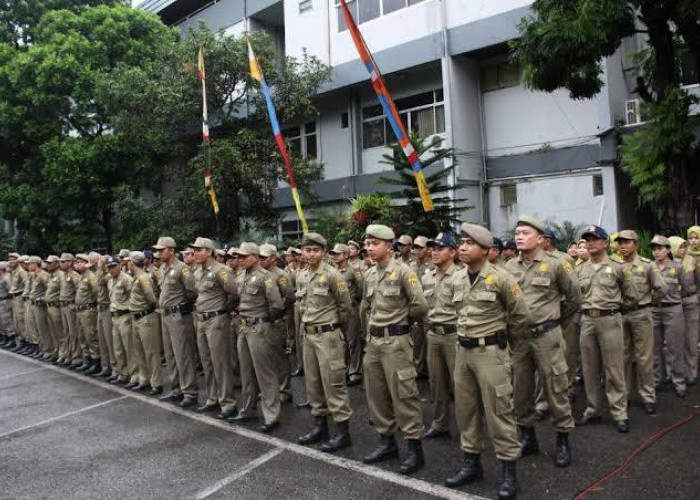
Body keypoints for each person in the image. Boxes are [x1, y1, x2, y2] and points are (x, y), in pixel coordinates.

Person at [445, 223, 529, 499]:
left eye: (469, 243)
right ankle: (471, 463)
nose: (463, 247)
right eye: (461, 242)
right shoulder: (456, 279)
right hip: (463, 353)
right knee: (466, 412)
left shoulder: (502, 278)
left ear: (485, 249)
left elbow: (519, 317)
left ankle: (508, 471)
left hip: (491, 353)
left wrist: (506, 348)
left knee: (499, 412)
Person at [506, 215, 579, 469]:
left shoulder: (557, 264)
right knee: (520, 390)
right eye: (517, 233)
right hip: (519, 339)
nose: (519, 236)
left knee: (555, 387)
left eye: (525, 232)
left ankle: (562, 440)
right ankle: (528, 437)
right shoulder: (509, 267)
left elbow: (574, 299)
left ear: (540, 238)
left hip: (547, 335)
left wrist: (554, 322)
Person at [361, 224, 428, 475]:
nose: (369, 248)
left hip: (396, 343)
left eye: (374, 243)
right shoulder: (370, 274)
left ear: (389, 245)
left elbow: (420, 305)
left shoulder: (403, 271)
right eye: (367, 244)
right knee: (377, 394)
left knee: (404, 394)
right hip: (375, 342)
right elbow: (368, 306)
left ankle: (414, 449)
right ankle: (387, 442)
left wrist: (400, 321)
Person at [296, 233, 353, 453]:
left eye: (315, 250)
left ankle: (342, 433)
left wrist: (335, 329)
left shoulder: (333, 275)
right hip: (309, 335)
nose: (310, 254)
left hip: (328, 336)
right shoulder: (302, 275)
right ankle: (320, 426)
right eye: (307, 250)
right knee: (313, 384)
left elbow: (346, 308)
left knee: (334, 384)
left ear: (324, 252)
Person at [575, 225, 629, 433]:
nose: (590, 243)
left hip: (610, 319)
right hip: (587, 320)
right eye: (587, 239)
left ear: (605, 243)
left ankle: (619, 413)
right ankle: (592, 409)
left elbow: (629, 294)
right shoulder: (580, 269)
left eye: (595, 239)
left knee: (614, 368)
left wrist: (615, 311)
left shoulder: (617, 267)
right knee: (589, 368)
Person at [229, 242, 285, 432]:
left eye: (245, 257)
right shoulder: (241, 276)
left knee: (265, 373)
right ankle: (248, 409)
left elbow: (276, 305)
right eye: (239, 257)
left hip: (259, 327)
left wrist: (264, 321)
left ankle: (271, 415)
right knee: (246, 371)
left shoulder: (265, 277)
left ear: (255, 256)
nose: (240, 260)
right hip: (243, 327)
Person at [615, 230, 666, 414]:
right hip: (621, 315)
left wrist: (649, 303)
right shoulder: (615, 266)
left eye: (627, 242)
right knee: (623, 357)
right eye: (620, 242)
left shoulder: (647, 265)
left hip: (641, 314)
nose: (623, 245)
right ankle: (624, 396)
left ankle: (648, 396)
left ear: (635, 244)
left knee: (644, 358)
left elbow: (660, 288)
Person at [191, 237, 239, 420]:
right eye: (194, 250)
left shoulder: (222, 271)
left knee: (220, 362)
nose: (195, 253)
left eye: (198, 250)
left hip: (216, 320)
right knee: (206, 361)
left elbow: (234, 293)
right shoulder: (198, 271)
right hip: (201, 320)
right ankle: (213, 398)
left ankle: (227, 402)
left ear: (209, 251)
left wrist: (223, 309)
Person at [421, 233, 459, 439]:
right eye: (432, 248)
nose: (434, 252)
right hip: (433, 334)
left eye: (439, 248)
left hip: (454, 335)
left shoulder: (461, 276)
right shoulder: (427, 277)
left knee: (460, 385)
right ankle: (440, 423)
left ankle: (468, 427)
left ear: (452, 252)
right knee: (436, 384)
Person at [153, 236, 199, 408]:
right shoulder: (164, 269)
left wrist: (182, 308)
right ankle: (176, 389)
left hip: (178, 316)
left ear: (171, 250)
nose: (158, 253)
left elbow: (192, 292)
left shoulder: (182, 269)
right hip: (166, 316)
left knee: (183, 355)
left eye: (161, 250)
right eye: (157, 250)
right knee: (171, 355)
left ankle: (190, 392)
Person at [650, 235, 687, 398]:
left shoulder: (677, 267)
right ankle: (657, 380)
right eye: (654, 249)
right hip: (654, 310)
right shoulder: (649, 267)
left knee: (675, 348)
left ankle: (678, 381)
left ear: (668, 250)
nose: (656, 252)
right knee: (654, 348)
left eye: (660, 249)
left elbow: (686, 288)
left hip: (673, 310)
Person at [259, 243, 295, 405]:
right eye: (259, 257)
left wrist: (277, 314)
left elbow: (289, 297)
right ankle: (271, 389)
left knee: (279, 357)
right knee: (265, 357)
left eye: (264, 257)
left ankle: (284, 389)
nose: (261, 260)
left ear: (273, 258)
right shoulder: (259, 274)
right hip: (262, 320)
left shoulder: (280, 275)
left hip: (277, 320)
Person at [127, 251, 163, 394]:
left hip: (145, 317)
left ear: (132, 263)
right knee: (139, 351)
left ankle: (156, 383)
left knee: (151, 352)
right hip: (136, 318)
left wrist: (151, 308)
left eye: (129, 261)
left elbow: (152, 298)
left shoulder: (143, 278)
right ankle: (144, 380)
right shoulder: (136, 278)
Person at [329, 243, 364, 386]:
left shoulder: (353, 271)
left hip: (351, 310)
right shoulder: (332, 271)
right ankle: (344, 369)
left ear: (346, 255)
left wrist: (354, 302)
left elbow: (362, 289)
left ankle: (355, 372)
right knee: (340, 341)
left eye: (338, 254)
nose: (335, 256)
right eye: (334, 254)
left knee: (352, 341)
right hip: (337, 310)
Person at [669, 236, 699, 386]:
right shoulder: (666, 264)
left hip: (691, 303)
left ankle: (691, 372)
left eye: (684, 246)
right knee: (675, 341)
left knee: (692, 339)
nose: (683, 249)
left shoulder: (692, 261)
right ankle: (675, 373)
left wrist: (696, 298)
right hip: (673, 304)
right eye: (679, 247)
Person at [106, 255, 134, 385]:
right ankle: (123, 373)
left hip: (125, 315)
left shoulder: (127, 279)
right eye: (109, 267)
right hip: (115, 316)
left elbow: (133, 297)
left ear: (120, 265)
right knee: (117, 348)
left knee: (129, 347)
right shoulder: (110, 280)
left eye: (113, 266)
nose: (111, 269)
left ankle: (134, 375)